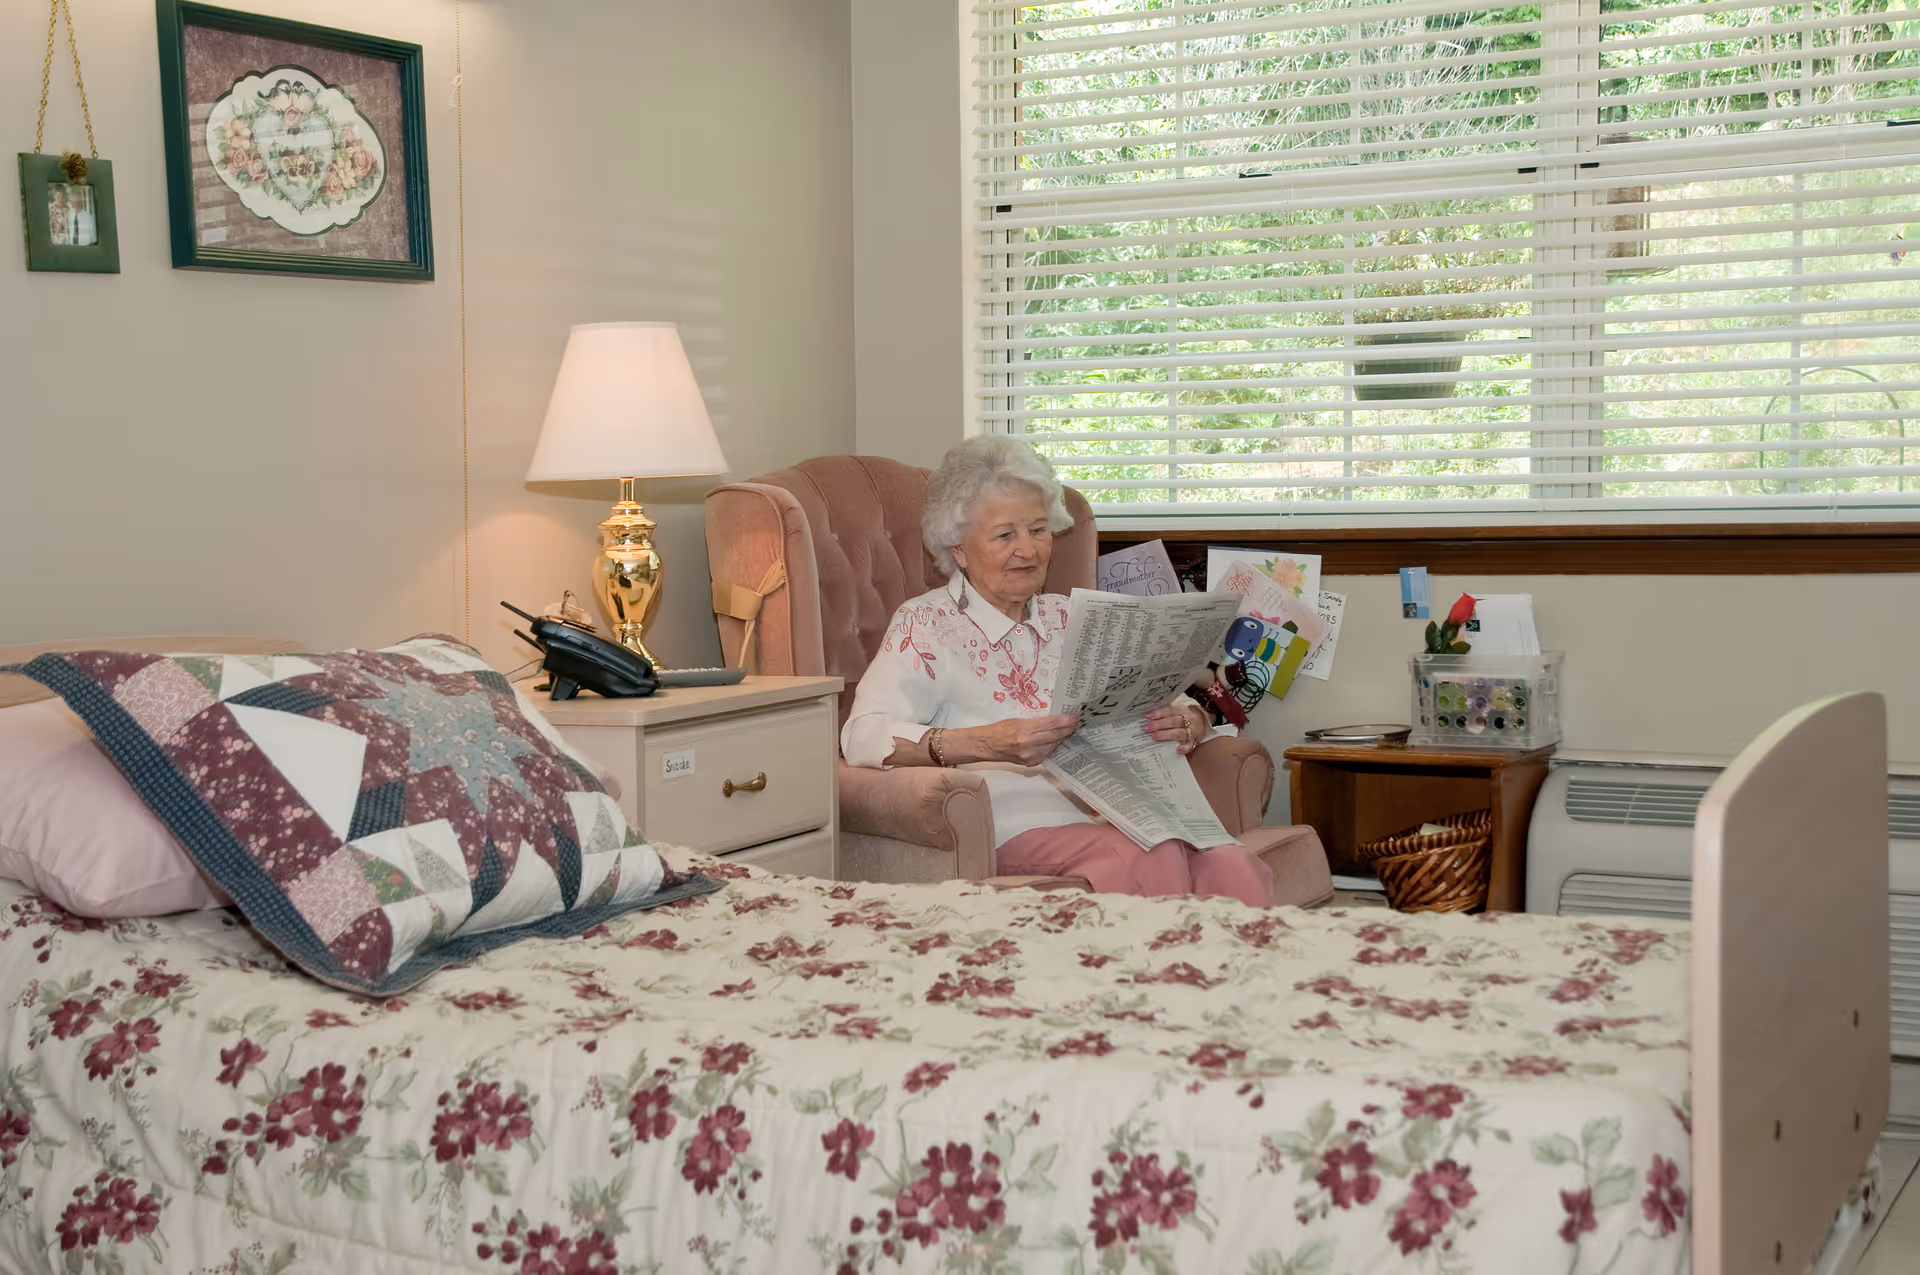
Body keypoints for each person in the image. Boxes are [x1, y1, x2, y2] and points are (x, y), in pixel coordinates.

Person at [839, 435, 1275, 906]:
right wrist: (989, 741)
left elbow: (1165, 694)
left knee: (1232, 865)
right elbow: (862, 736)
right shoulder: (926, 625)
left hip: (1117, 813)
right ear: (959, 549)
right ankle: (1153, 977)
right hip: (1008, 826)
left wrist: (1192, 721)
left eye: (1039, 530)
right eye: (1005, 535)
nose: (1027, 549)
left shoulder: (1071, 617)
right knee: (1153, 855)